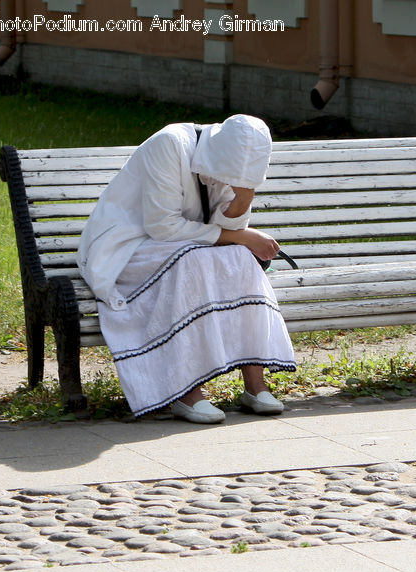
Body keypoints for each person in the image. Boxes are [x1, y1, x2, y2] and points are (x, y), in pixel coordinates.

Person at [77, 114, 296, 424]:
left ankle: (255, 386)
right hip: (126, 247)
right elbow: (162, 227)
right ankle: (187, 392)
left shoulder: (225, 158)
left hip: (185, 244)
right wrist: (241, 235)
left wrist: (244, 195)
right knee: (191, 262)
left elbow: (224, 226)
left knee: (242, 258)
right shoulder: (170, 144)